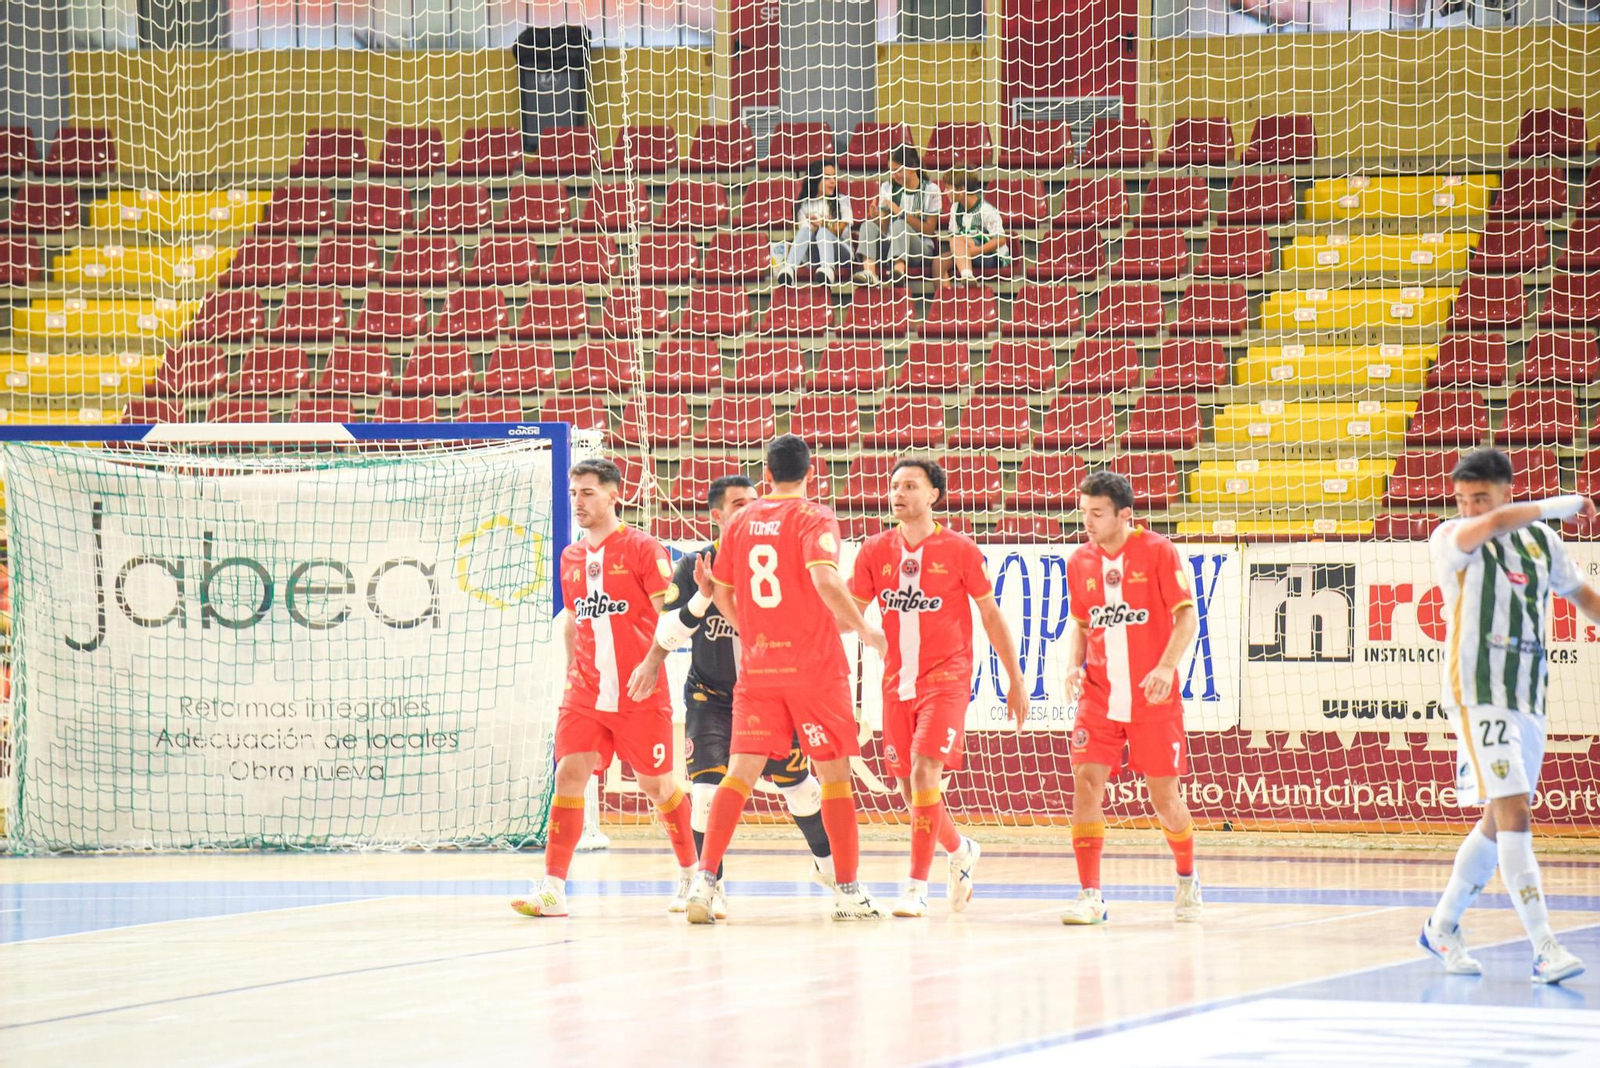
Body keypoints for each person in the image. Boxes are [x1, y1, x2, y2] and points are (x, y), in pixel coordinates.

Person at [683, 434, 889, 923]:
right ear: (811, 473)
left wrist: (752, 635)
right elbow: (824, 578)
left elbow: (724, 594)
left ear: (766, 475)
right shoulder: (814, 517)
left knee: (740, 774)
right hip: (815, 668)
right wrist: (864, 629)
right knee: (834, 775)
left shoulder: (741, 522)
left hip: (758, 668)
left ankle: (706, 881)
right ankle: (848, 892)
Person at [1418, 447, 1599, 985]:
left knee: (1498, 820)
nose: (1471, 508)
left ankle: (1443, 924)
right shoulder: (1452, 538)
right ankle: (1543, 947)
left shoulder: (1542, 540)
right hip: (1478, 693)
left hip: (1528, 694)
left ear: (1506, 490)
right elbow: (1493, 526)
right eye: (1463, 499)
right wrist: (1565, 502)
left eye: (1481, 497)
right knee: (1515, 812)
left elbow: (1581, 595)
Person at [625, 475, 836, 920]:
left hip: (770, 692)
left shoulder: (777, 562)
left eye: (754, 502)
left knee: (799, 789)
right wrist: (703, 599)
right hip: (712, 697)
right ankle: (710, 884)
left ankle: (830, 868)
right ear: (717, 516)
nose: (752, 511)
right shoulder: (693, 564)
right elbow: (666, 634)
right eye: (740, 504)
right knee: (704, 791)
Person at [511, 459, 698, 918]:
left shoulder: (642, 548)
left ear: (615, 494)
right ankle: (554, 887)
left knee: (657, 787)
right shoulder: (570, 556)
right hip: (586, 693)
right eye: (574, 492)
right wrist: (576, 673)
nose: (579, 500)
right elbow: (574, 622)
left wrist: (654, 663)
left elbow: (668, 617)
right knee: (568, 774)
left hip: (639, 692)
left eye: (589, 492)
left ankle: (694, 873)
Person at [849, 457, 1030, 917]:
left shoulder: (960, 549)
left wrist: (1015, 679)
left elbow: (990, 615)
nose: (898, 493)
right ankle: (961, 849)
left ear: (933, 495)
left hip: (946, 679)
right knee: (912, 794)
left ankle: (914, 888)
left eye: (910, 485)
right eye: (894, 486)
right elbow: (846, 611)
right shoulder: (874, 550)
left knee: (927, 774)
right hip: (896, 683)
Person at [1060, 471, 1202, 926]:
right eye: (1083, 512)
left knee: (1165, 800)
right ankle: (1090, 895)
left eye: (1096, 513)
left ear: (1125, 514)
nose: (1088, 521)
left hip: (1152, 698)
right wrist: (1072, 667)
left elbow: (1186, 618)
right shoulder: (1079, 561)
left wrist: (1165, 666)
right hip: (1099, 696)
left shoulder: (1158, 551)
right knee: (1085, 784)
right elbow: (1081, 624)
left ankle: (1186, 876)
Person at [853, 145, 942, 286]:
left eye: (897, 170)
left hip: (919, 249)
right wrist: (876, 217)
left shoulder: (931, 190)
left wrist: (902, 214)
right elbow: (884, 228)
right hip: (890, 246)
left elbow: (929, 230)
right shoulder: (887, 188)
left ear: (912, 167)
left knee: (900, 224)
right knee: (867, 225)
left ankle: (898, 272)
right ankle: (870, 273)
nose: (893, 175)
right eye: (891, 171)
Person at [775, 159, 853, 286]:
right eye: (827, 177)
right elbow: (804, 235)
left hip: (841, 254)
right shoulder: (804, 205)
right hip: (812, 255)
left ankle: (828, 270)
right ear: (816, 179)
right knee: (806, 229)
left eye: (834, 176)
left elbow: (839, 230)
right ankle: (789, 269)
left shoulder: (842, 200)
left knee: (823, 231)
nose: (833, 181)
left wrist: (823, 224)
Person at [937, 170, 1011, 284]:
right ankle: (946, 300)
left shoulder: (986, 209)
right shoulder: (955, 208)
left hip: (990, 255)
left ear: (961, 190)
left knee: (963, 240)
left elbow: (1001, 240)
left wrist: (975, 250)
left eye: (948, 188)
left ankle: (967, 275)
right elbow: (952, 237)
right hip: (964, 250)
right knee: (939, 263)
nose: (945, 191)